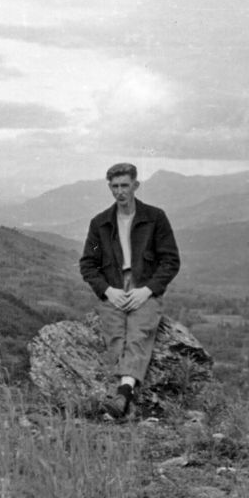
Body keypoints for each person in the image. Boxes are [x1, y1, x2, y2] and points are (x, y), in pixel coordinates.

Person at [79, 162, 180, 418]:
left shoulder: (155, 218)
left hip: (143, 285)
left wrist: (147, 290)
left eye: (125, 185)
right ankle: (126, 394)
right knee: (115, 332)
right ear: (109, 187)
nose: (120, 192)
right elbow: (88, 264)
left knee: (139, 330)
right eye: (115, 186)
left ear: (135, 185)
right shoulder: (100, 223)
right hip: (114, 286)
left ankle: (122, 394)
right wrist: (107, 291)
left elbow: (170, 261)